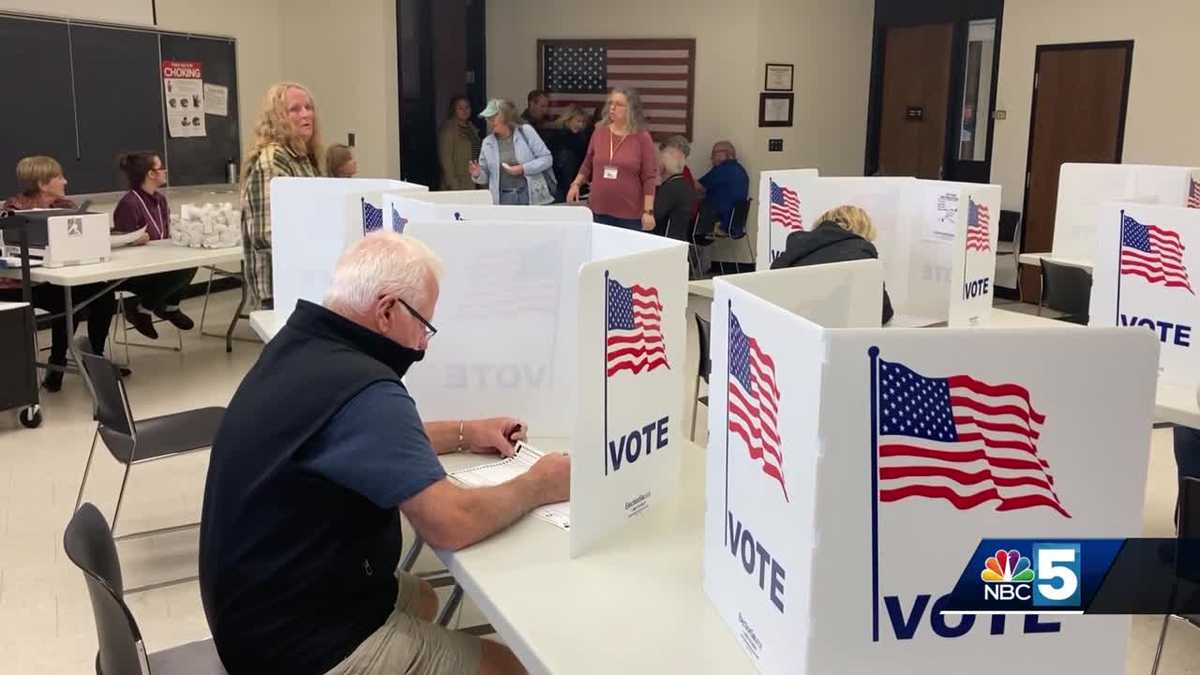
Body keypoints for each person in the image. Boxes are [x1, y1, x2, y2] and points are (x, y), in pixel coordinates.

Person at [199, 232, 569, 675]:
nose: (424, 345)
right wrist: (540, 483)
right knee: (510, 668)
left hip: (251, 610)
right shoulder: (365, 387)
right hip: (294, 648)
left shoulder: (303, 347)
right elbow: (452, 522)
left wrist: (467, 432)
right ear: (388, 310)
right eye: (424, 326)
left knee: (424, 598)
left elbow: (363, 439)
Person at [1, 156, 118, 391]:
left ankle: (95, 358)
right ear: (43, 184)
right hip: (17, 285)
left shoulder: (66, 207)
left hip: (54, 280)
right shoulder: (13, 212)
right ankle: (57, 364)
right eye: (59, 177)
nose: (65, 181)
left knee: (103, 294)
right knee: (69, 302)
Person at [240, 82, 322, 310]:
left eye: (309, 107)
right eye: (294, 109)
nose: (306, 114)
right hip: (281, 287)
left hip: (305, 279)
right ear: (277, 118)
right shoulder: (273, 160)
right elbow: (268, 235)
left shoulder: (302, 158)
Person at [111, 151, 196, 340]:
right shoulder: (129, 203)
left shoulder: (160, 199)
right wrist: (133, 241)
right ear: (151, 174)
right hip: (136, 270)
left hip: (160, 262)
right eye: (161, 168)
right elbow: (120, 243)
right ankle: (142, 310)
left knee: (191, 261)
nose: (165, 171)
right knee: (179, 270)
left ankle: (169, 307)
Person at [770, 205, 894, 324]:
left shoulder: (794, 248)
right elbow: (882, 312)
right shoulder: (861, 251)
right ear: (863, 228)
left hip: (788, 330)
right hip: (836, 337)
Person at [567, 87, 658, 230]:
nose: (612, 108)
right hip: (598, 209)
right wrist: (576, 184)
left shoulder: (642, 137)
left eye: (619, 104)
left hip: (629, 214)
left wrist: (648, 211)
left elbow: (649, 177)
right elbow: (588, 163)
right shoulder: (600, 131)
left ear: (631, 109)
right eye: (610, 103)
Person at [469, 98, 555, 206]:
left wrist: (522, 169)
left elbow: (547, 159)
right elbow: (485, 177)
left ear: (505, 116)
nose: (489, 121)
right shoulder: (487, 143)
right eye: (487, 118)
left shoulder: (526, 131)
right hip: (503, 199)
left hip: (529, 196)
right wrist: (477, 174)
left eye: (493, 117)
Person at [697, 140, 749, 236]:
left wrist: (681, 173)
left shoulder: (723, 169)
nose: (711, 158)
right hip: (736, 223)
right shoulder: (740, 169)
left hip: (721, 222)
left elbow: (698, 186)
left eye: (714, 154)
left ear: (725, 153)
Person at [541, 105, 590, 203]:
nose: (580, 125)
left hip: (576, 185)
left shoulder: (583, 139)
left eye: (583, 122)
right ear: (568, 120)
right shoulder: (554, 137)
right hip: (558, 185)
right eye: (578, 121)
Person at [653, 141, 697, 241]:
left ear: (664, 166)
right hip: (679, 237)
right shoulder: (684, 184)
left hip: (666, 240)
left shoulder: (670, 187)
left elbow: (655, 215)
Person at [438, 95, 481, 191]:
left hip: (473, 179)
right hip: (458, 182)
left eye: (467, 107)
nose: (464, 111)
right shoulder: (449, 130)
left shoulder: (471, 128)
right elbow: (446, 160)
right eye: (460, 108)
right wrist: (454, 185)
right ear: (454, 110)